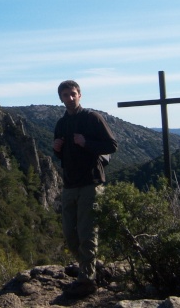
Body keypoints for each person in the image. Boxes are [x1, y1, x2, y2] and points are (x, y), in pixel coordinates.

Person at [52, 80, 117, 297]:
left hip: (91, 183)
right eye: (65, 95)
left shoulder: (92, 118)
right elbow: (62, 155)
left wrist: (86, 142)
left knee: (87, 232)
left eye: (73, 94)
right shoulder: (61, 124)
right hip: (70, 184)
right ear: (60, 98)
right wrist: (57, 149)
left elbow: (112, 146)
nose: (69, 98)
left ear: (80, 95)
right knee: (70, 234)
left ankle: (87, 280)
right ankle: (88, 267)